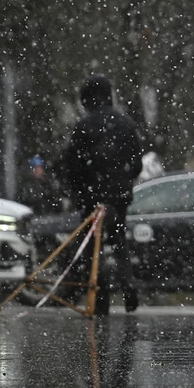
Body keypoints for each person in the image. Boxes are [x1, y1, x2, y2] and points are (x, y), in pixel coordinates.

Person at [55, 75, 144, 316]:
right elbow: (136, 164)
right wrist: (123, 180)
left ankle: (100, 293)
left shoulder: (83, 126)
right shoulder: (125, 124)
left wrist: (79, 190)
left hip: (91, 197)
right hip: (119, 196)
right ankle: (128, 285)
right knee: (118, 241)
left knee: (93, 247)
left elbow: (72, 166)